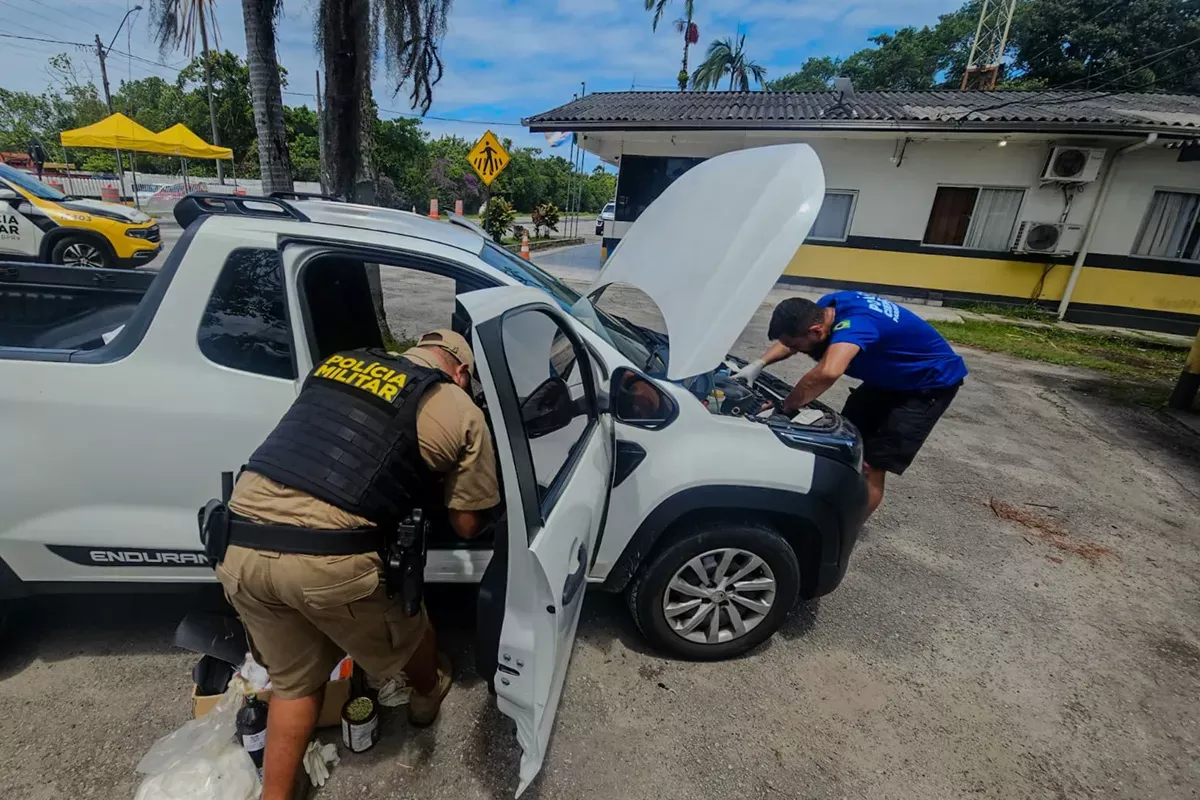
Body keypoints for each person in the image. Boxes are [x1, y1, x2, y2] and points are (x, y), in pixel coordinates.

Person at [214, 329, 500, 800]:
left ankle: (276, 794)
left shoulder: (337, 364)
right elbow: (467, 524)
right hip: (328, 560)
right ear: (461, 372)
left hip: (238, 543)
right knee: (412, 626)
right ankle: (426, 697)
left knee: (293, 683)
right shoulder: (458, 405)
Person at [734, 292, 967, 520]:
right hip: (890, 377)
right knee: (846, 444)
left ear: (816, 331)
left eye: (797, 346)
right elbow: (791, 341)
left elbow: (828, 371)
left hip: (927, 384)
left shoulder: (856, 325)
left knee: (872, 465)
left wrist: (785, 407)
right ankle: (826, 506)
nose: (796, 350)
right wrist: (759, 364)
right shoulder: (826, 308)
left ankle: (845, 533)